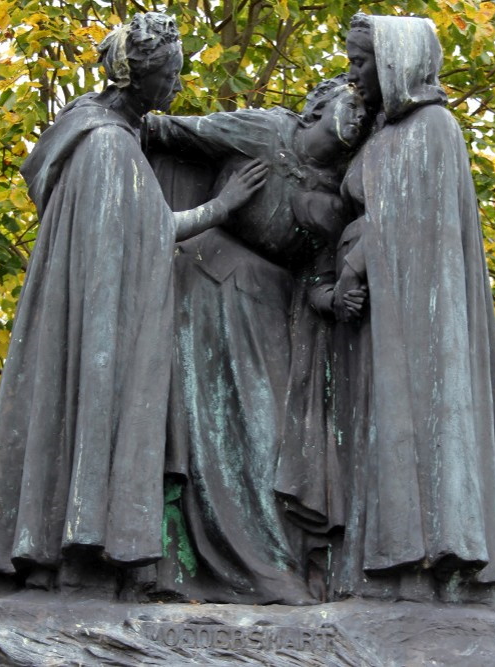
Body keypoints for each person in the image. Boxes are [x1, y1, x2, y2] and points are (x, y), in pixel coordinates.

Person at [0, 12, 266, 597]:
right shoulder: (105, 146)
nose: (176, 85)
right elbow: (152, 232)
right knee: (93, 415)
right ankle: (85, 553)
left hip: (94, 312)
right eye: (169, 75)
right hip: (100, 328)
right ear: (137, 78)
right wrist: (225, 205)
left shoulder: (95, 131)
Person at [326, 13, 495, 609]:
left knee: (418, 434)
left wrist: (356, 262)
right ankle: (379, 572)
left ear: (395, 62)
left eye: (361, 62)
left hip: (418, 324)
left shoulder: (433, 127)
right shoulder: (384, 132)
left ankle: (425, 574)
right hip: (378, 320)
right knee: (379, 435)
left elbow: (412, 221)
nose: (352, 74)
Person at [142, 77, 369, 603]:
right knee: (205, 434)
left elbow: (316, 280)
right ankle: (218, 568)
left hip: (270, 311)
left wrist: (335, 300)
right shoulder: (262, 129)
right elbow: (165, 133)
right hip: (202, 289)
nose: (357, 116)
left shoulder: (335, 198)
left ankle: (271, 563)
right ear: (319, 104)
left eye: (364, 111)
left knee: (270, 440)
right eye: (350, 103)